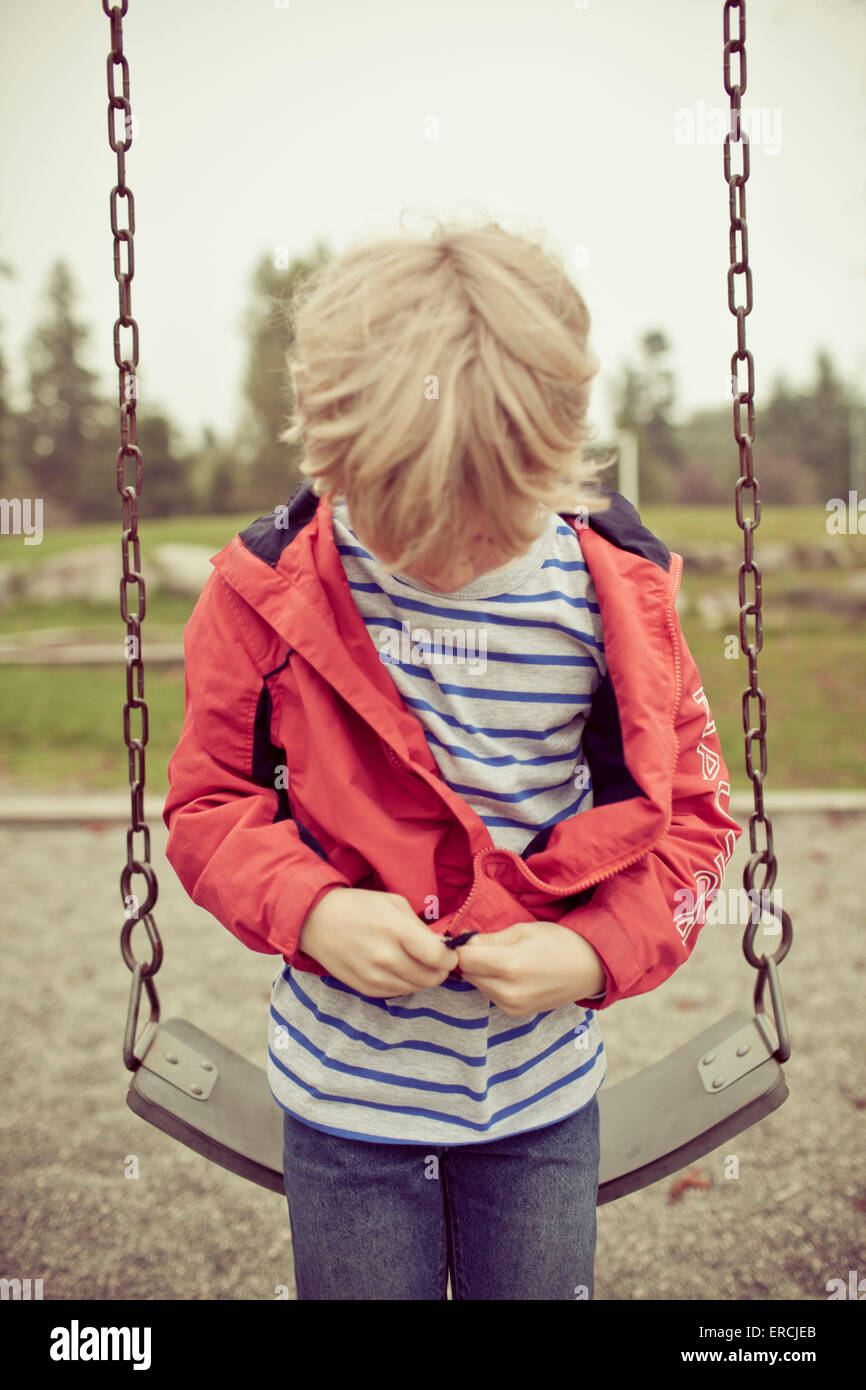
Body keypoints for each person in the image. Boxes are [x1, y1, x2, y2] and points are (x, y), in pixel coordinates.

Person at [162, 215, 742, 1301]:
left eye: (487, 526)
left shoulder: (616, 606)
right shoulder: (265, 598)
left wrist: (591, 955)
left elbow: (694, 825)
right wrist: (314, 910)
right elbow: (209, 806)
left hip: (540, 1096)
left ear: (557, 455)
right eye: (402, 524)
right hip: (343, 1099)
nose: (443, 561)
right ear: (327, 456)